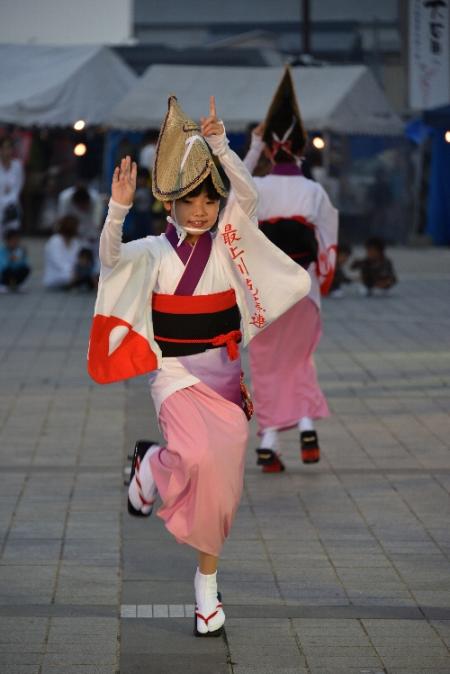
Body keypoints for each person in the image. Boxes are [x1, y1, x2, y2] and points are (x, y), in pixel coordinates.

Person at [87, 96, 310, 636]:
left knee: (222, 483)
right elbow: (110, 260)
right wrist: (117, 210)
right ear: (170, 205)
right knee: (194, 456)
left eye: (209, 199)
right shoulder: (152, 251)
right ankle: (157, 470)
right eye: (190, 200)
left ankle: (205, 583)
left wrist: (220, 146)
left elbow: (249, 193)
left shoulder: (229, 243)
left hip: (227, 378)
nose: (201, 210)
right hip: (176, 377)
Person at [244, 67, 338, 472]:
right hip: (303, 289)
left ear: (269, 150)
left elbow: (231, 193)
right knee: (300, 359)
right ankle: (304, 425)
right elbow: (328, 246)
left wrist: (251, 147)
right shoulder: (314, 191)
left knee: (266, 364)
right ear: (302, 150)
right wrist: (324, 280)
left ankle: (268, 439)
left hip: (265, 291)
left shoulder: (258, 189)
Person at [43, 215, 82, 289]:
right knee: (70, 277)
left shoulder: (75, 242)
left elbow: (77, 260)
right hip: (55, 275)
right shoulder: (55, 241)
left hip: (70, 273)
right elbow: (58, 262)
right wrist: (73, 272)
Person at [0, 136, 24, 236]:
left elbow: (19, 185)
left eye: (9, 148)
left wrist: (11, 200)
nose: (7, 151)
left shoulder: (17, 166)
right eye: (4, 148)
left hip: (12, 206)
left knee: (12, 234)